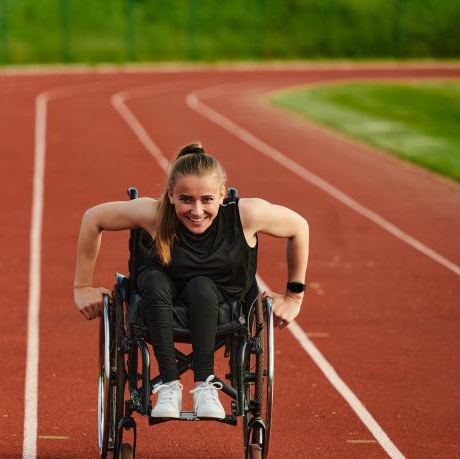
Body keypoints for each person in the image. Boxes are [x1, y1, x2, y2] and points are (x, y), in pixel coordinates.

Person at [73, 143, 308, 419]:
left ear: (222, 194)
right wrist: (82, 287)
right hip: (159, 294)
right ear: (171, 195)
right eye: (186, 199)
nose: (197, 211)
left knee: (202, 286)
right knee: (154, 280)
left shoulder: (246, 215)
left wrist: (294, 296)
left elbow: (299, 227)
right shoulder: (155, 213)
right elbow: (93, 218)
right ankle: (169, 385)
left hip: (217, 300)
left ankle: (205, 383)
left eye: (207, 199)